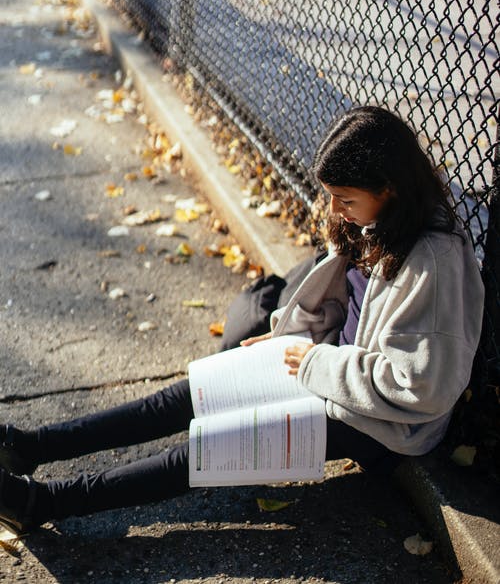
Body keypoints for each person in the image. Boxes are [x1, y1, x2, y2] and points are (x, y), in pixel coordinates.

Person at [0, 105, 484, 534]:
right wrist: (287, 341)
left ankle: (43, 503)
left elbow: (423, 388)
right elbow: (344, 308)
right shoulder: (373, 221)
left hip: (376, 423)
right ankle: (30, 446)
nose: (335, 209)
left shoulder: (433, 264)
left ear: (391, 189)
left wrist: (316, 362)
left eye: (346, 198)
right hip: (323, 368)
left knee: (206, 450)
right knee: (182, 397)